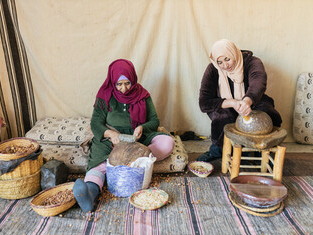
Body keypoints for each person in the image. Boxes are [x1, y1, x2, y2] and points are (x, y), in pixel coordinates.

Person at [73, 59, 175, 212]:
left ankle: (130, 161)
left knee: (167, 142)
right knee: (99, 164)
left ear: (133, 79)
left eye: (127, 83)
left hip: (137, 140)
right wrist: (110, 133)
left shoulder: (143, 95)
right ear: (113, 82)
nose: (124, 89)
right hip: (111, 140)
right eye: (119, 84)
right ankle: (90, 193)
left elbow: (154, 120)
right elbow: (95, 123)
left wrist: (142, 127)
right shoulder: (104, 95)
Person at [197, 39, 282, 162]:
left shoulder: (252, 62)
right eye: (220, 62)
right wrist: (232, 102)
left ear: (234, 53)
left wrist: (247, 101)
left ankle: (260, 151)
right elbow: (204, 103)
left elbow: (259, 83)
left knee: (266, 113)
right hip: (226, 103)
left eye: (227, 59)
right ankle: (217, 150)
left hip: (252, 101)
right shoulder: (213, 69)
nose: (225, 65)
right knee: (223, 117)